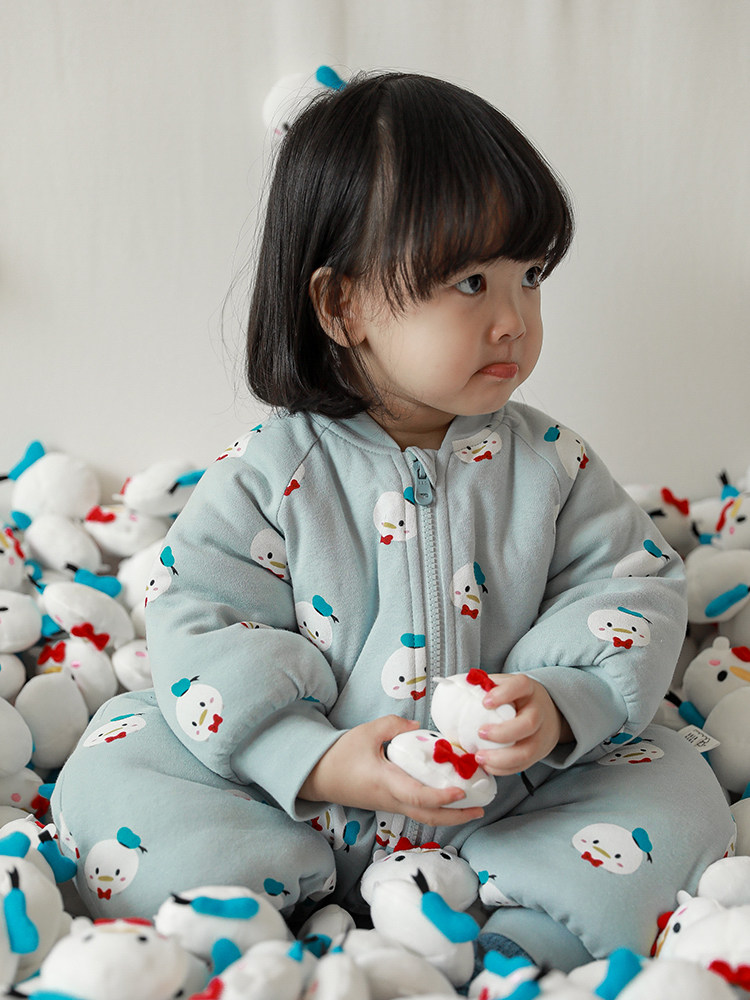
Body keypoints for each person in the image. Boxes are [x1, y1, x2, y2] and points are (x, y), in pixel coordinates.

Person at [52, 71, 733, 973]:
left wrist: (556, 707)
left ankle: (515, 943)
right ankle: (258, 926)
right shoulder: (273, 471)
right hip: (293, 800)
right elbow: (202, 620)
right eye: (471, 281)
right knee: (117, 767)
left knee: (680, 792)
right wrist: (314, 758)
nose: (513, 320)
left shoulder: (552, 464)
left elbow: (628, 585)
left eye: (530, 277)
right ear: (342, 306)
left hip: (507, 800)